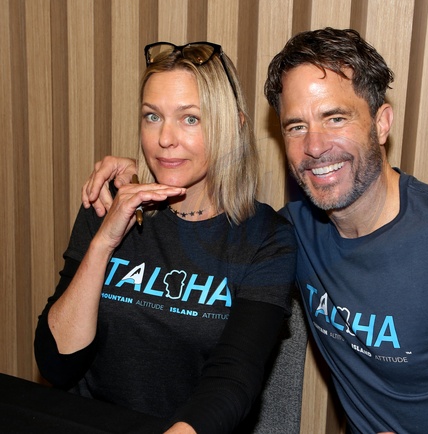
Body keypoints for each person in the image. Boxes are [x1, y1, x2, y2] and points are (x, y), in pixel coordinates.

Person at [80, 28, 428, 434]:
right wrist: (136, 177)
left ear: (382, 123)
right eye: (296, 126)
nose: (315, 146)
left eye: (335, 118)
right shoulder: (292, 234)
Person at [34, 41, 297, 434]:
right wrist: (103, 243)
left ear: (234, 126)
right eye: (152, 116)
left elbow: (233, 380)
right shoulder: (110, 204)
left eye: (190, 119)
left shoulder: (267, 239)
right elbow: (57, 363)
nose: (165, 138)